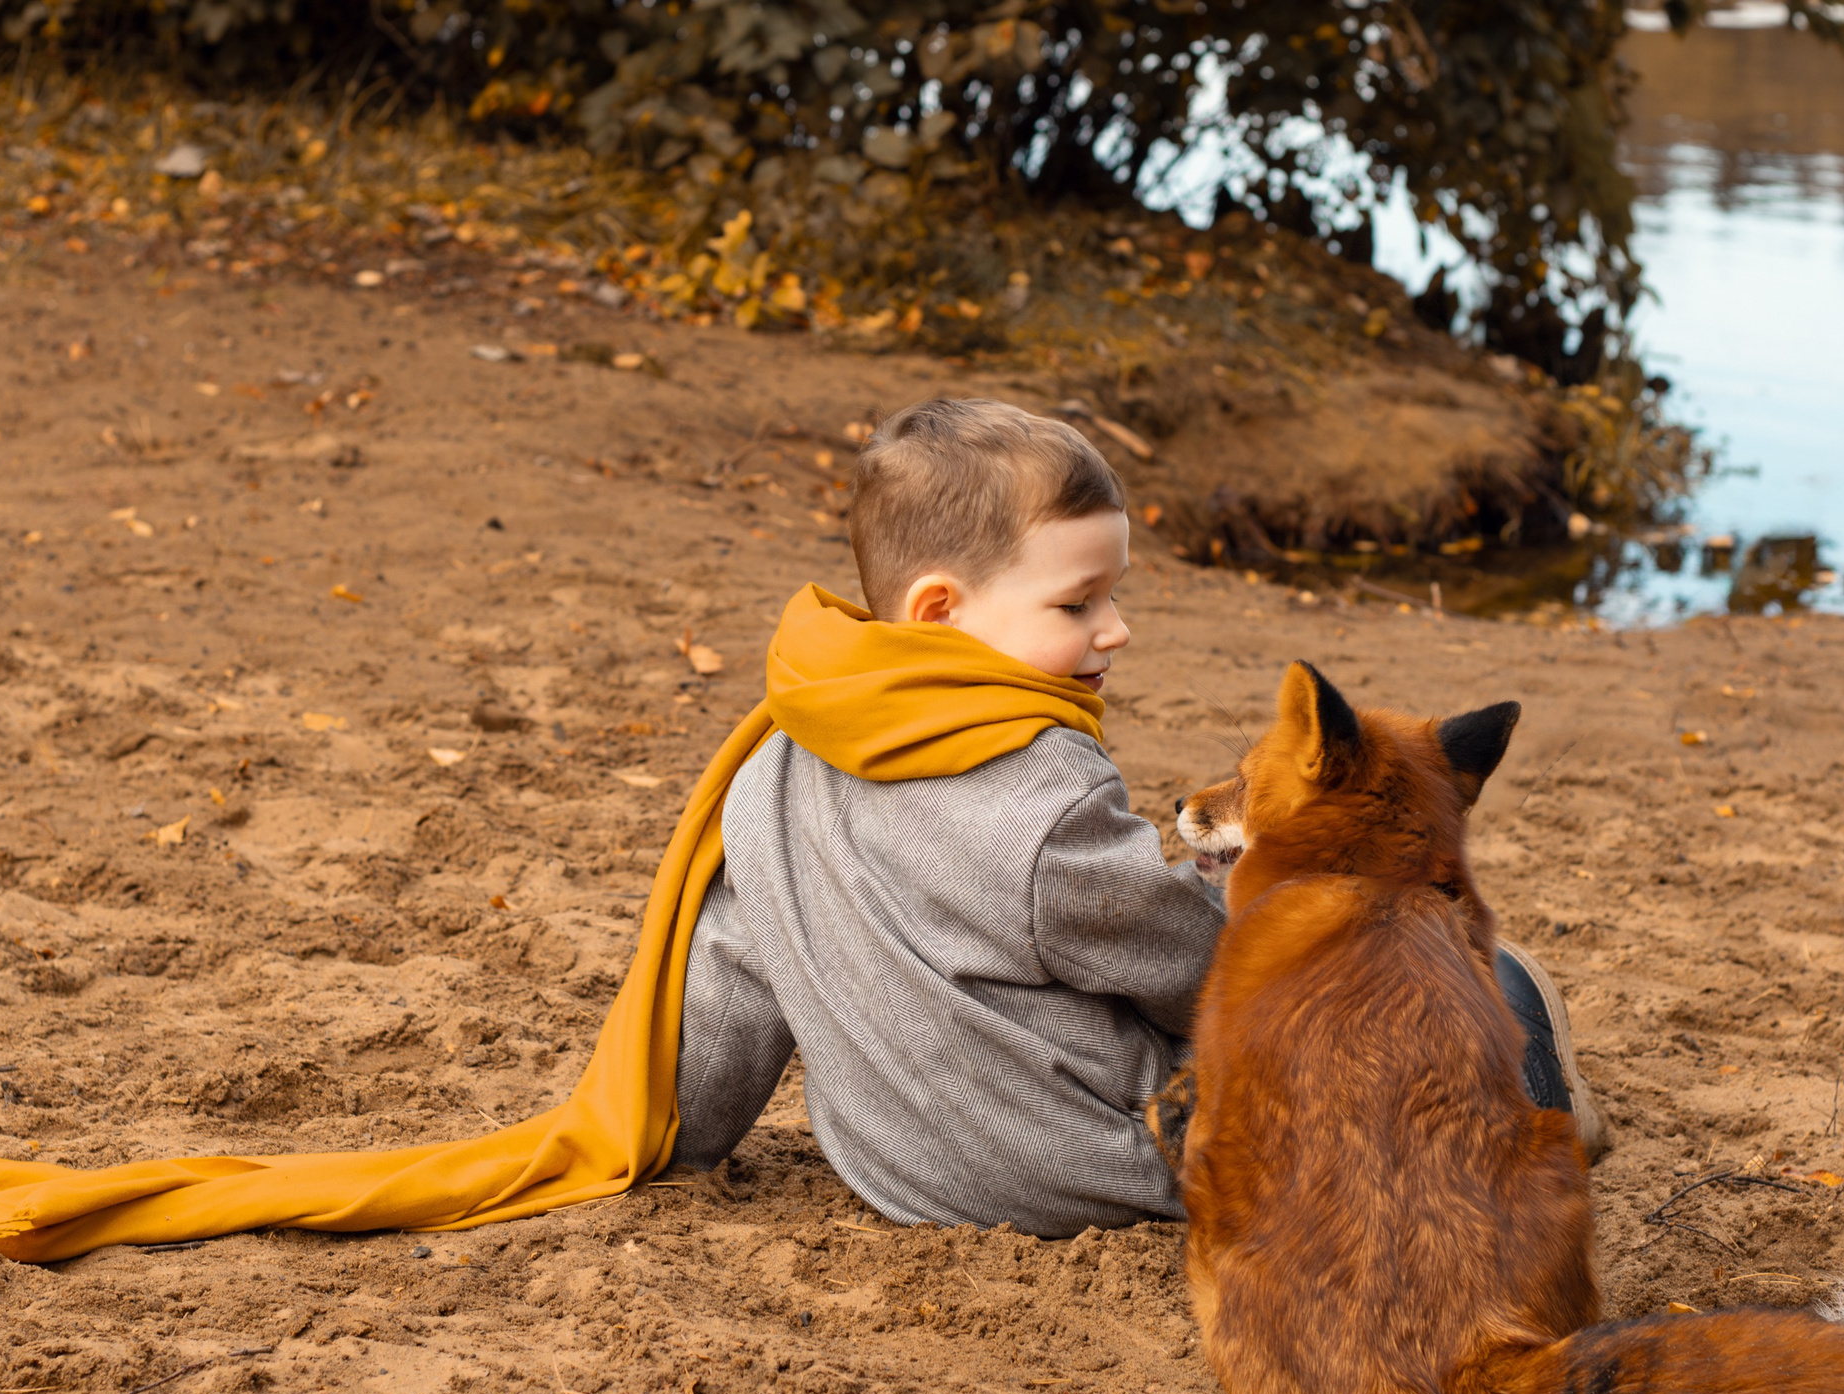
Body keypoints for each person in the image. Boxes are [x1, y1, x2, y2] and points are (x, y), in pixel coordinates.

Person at [664, 398, 1605, 1238]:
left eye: (1113, 593)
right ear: (940, 612)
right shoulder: (1039, 795)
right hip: (1084, 1160)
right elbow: (1184, 966)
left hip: (897, 1170)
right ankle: (1531, 1109)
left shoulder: (772, 763)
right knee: (1460, 984)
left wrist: (685, 1138)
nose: (1115, 628)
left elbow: (732, 969)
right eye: (1078, 603)